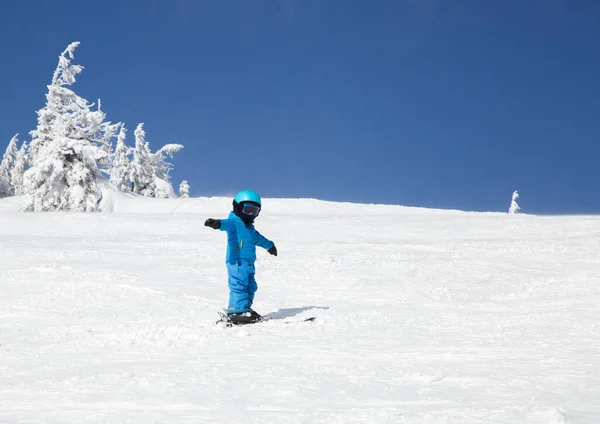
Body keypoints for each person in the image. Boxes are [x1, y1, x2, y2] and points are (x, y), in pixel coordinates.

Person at [205, 189, 277, 325]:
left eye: (254, 211)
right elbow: (225, 224)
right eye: (248, 209)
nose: (250, 214)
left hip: (248, 262)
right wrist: (217, 223)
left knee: (251, 286)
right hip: (236, 260)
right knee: (239, 285)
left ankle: (245, 310)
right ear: (238, 207)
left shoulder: (250, 229)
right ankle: (236, 311)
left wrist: (270, 246)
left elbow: (260, 239)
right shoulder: (234, 223)